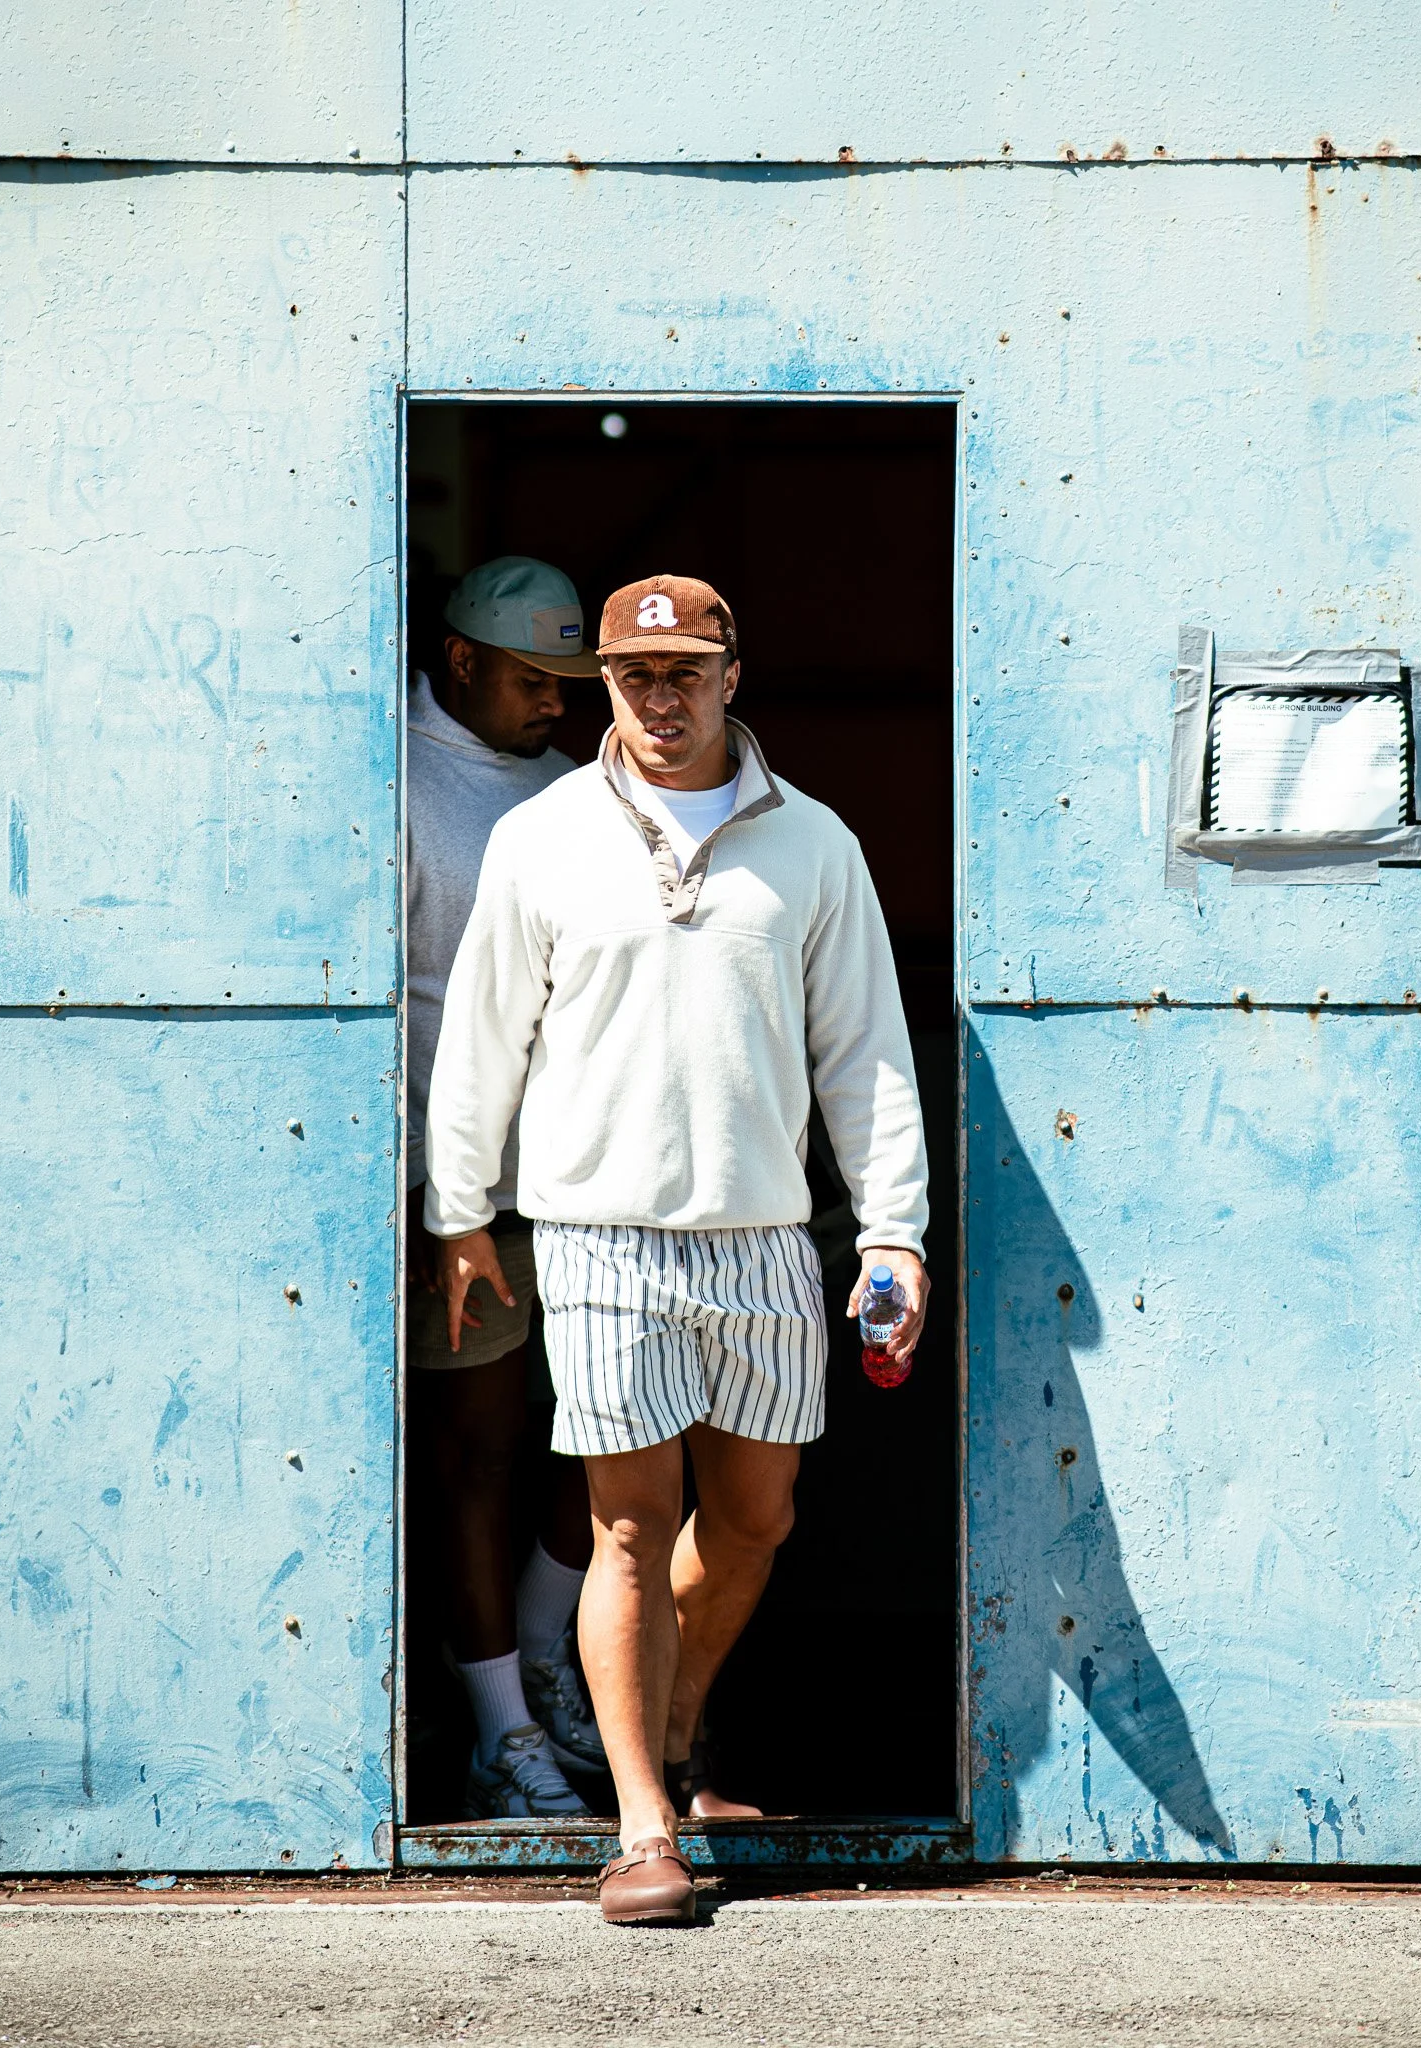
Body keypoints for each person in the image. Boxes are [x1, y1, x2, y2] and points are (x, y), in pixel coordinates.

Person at [425, 574, 929, 1923]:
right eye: (634, 677)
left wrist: (895, 1234)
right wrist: (462, 1212)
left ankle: (667, 1717)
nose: (661, 699)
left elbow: (866, 1052)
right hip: (595, 1235)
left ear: (731, 676)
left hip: (763, 1235)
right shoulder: (544, 838)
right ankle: (645, 1826)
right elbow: (483, 1034)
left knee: (758, 1521)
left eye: (686, 673)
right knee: (628, 1529)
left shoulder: (812, 844)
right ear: (604, 682)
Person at [406, 554, 609, 1819]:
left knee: (604, 1440)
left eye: (569, 683)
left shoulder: (574, 796)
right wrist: (444, 1205)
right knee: (480, 1454)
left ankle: (547, 1659)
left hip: (582, 1179)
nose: (560, 705)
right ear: (463, 659)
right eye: (536, 680)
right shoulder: (401, 786)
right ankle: (500, 1730)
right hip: (455, 1191)